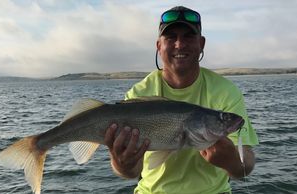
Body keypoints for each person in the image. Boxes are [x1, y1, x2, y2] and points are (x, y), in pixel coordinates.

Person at [104, 6, 259, 194]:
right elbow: (132, 173)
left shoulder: (226, 91)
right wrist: (121, 164)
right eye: (171, 37)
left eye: (188, 36)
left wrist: (233, 161)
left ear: (201, 43)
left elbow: (246, 165)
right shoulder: (139, 93)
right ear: (159, 46)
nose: (179, 44)